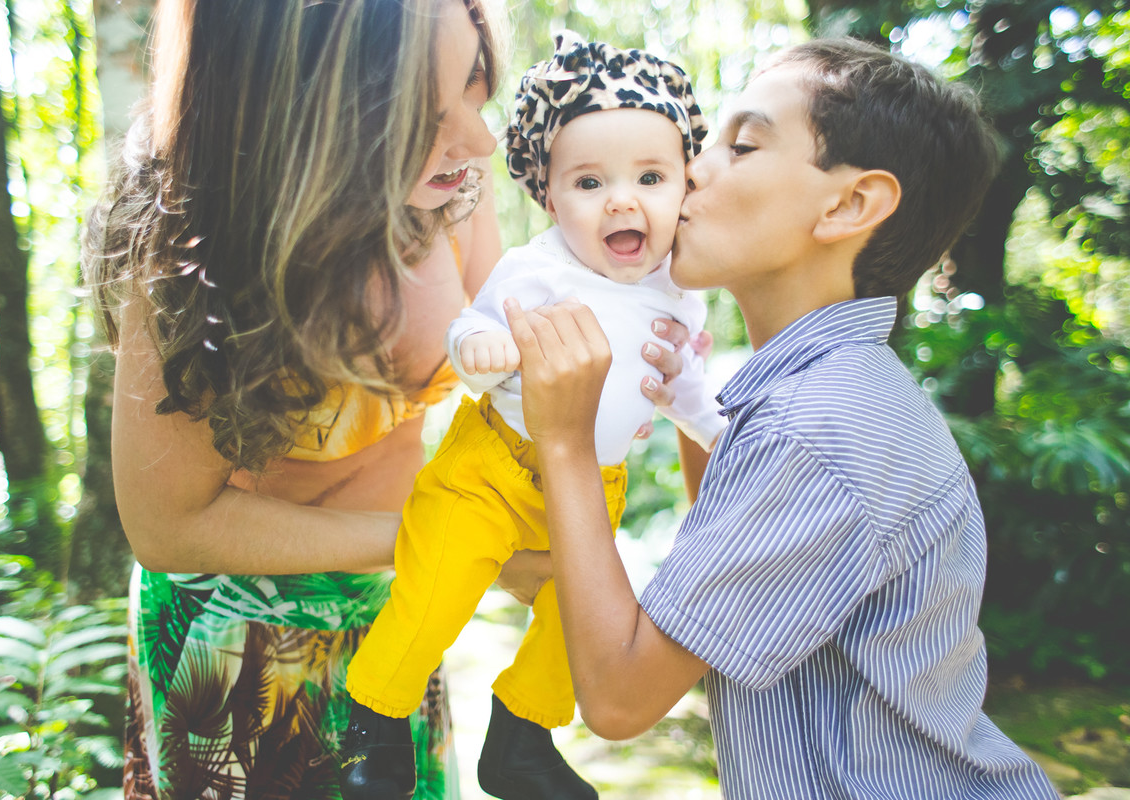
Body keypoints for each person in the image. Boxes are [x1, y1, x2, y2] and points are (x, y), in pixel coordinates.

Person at [84, 1, 701, 797]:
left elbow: (519, 358)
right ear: (310, 117)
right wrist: (459, 540)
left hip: (403, 607)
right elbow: (170, 527)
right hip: (241, 646)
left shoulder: (454, 195)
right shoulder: (190, 241)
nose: (480, 140)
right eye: (429, 116)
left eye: (475, 94)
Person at [505, 38, 1062, 800]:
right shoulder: (835, 392)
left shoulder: (815, 428)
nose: (691, 167)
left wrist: (565, 441)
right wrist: (682, 399)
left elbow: (618, 695)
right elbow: (729, 580)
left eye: (741, 146)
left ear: (847, 205)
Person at [340, 32, 725, 800]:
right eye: (589, 182)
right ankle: (374, 723)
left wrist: (721, 432)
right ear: (549, 199)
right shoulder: (540, 267)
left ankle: (523, 735)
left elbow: (684, 388)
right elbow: (473, 323)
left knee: (579, 614)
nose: (622, 199)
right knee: (436, 584)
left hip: (591, 485)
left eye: (650, 176)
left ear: (686, 187)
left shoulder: (680, 293)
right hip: (493, 467)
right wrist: (481, 345)